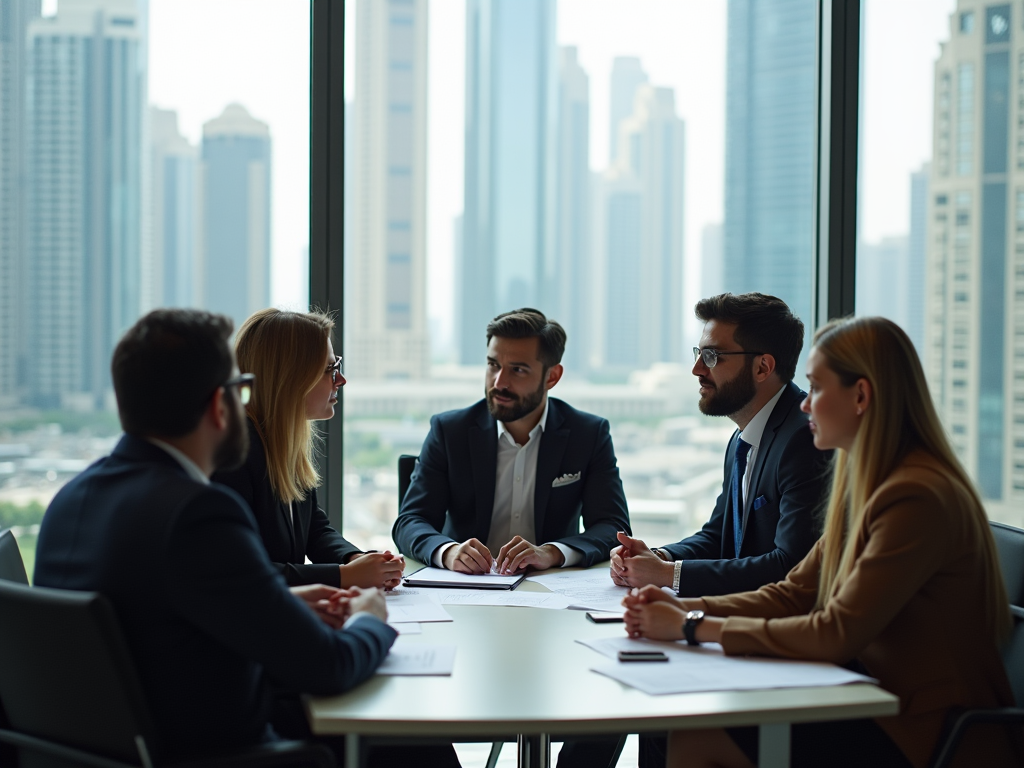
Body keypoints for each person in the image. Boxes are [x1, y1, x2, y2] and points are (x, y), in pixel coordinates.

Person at [624, 316, 1019, 768]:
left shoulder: (916, 495)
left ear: (861, 396)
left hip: (924, 728)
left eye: (815, 388)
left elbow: (835, 632)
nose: (805, 405)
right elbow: (795, 591)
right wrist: (688, 608)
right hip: (868, 696)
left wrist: (692, 627)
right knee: (681, 720)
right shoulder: (874, 483)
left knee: (699, 730)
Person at [33, 309, 396, 760]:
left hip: (108, 754)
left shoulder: (70, 500)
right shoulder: (197, 514)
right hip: (223, 753)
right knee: (400, 739)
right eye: (240, 389)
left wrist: (275, 602)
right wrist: (369, 616)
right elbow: (330, 667)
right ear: (218, 405)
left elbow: (156, 619)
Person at [610, 293, 831, 596]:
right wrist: (659, 557)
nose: (697, 369)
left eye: (712, 356)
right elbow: (719, 535)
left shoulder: (806, 439)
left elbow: (791, 565)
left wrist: (667, 574)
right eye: (698, 354)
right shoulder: (743, 437)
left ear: (762, 367)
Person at [392, 308, 631, 574]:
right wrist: (448, 552)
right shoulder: (450, 431)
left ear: (551, 376)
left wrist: (551, 552)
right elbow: (410, 522)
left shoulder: (588, 434)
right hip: (463, 589)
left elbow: (613, 527)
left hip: (550, 590)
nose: (499, 382)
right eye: (493, 365)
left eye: (517, 370)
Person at [213, 308, 403, 589]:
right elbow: (239, 572)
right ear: (291, 377)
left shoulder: (282, 439)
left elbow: (314, 528)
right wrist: (343, 576)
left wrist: (355, 559)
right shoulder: (234, 454)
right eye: (329, 369)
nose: (340, 380)